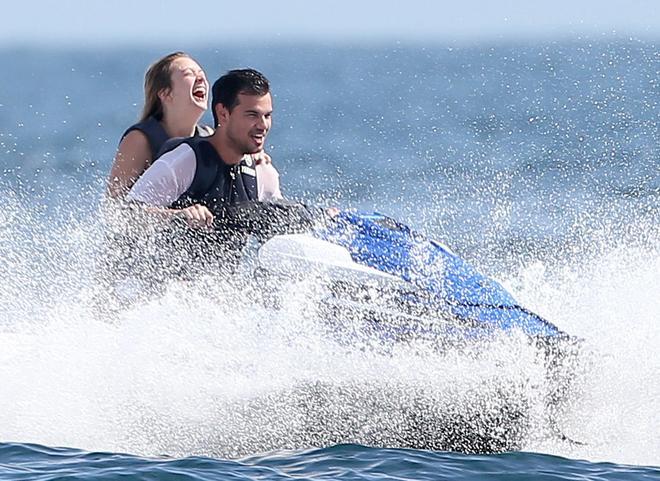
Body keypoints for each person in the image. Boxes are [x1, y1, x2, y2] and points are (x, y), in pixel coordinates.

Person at [127, 67, 282, 226]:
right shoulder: (185, 160)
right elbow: (127, 213)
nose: (263, 125)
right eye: (252, 115)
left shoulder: (262, 172)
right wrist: (177, 215)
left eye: (267, 115)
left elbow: (282, 229)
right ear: (223, 114)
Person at [106, 51, 214, 199]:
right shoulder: (139, 140)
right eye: (189, 74)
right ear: (166, 94)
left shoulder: (208, 136)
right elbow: (115, 208)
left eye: (201, 73)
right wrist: (177, 215)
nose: (201, 78)